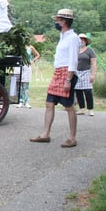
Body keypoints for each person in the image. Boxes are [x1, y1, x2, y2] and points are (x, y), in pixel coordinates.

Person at [30, 9, 80, 148]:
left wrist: (68, 80)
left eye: (57, 20)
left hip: (67, 73)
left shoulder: (73, 38)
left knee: (68, 106)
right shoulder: (63, 36)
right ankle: (45, 134)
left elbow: (73, 60)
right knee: (49, 103)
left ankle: (72, 138)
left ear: (64, 22)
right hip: (58, 72)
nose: (56, 22)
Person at [74, 33, 97, 116]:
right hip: (77, 72)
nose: (81, 41)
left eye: (83, 39)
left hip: (86, 71)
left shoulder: (90, 50)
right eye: (80, 39)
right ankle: (82, 108)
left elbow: (94, 63)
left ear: (86, 41)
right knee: (78, 91)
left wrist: (93, 74)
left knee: (87, 91)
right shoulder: (75, 50)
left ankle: (90, 109)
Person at [15, 44, 40, 108]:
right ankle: (20, 101)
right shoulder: (19, 46)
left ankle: (26, 102)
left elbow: (37, 55)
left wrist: (33, 61)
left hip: (27, 67)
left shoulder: (30, 47)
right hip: (19, 66)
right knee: (19, 86)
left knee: (25, 86)